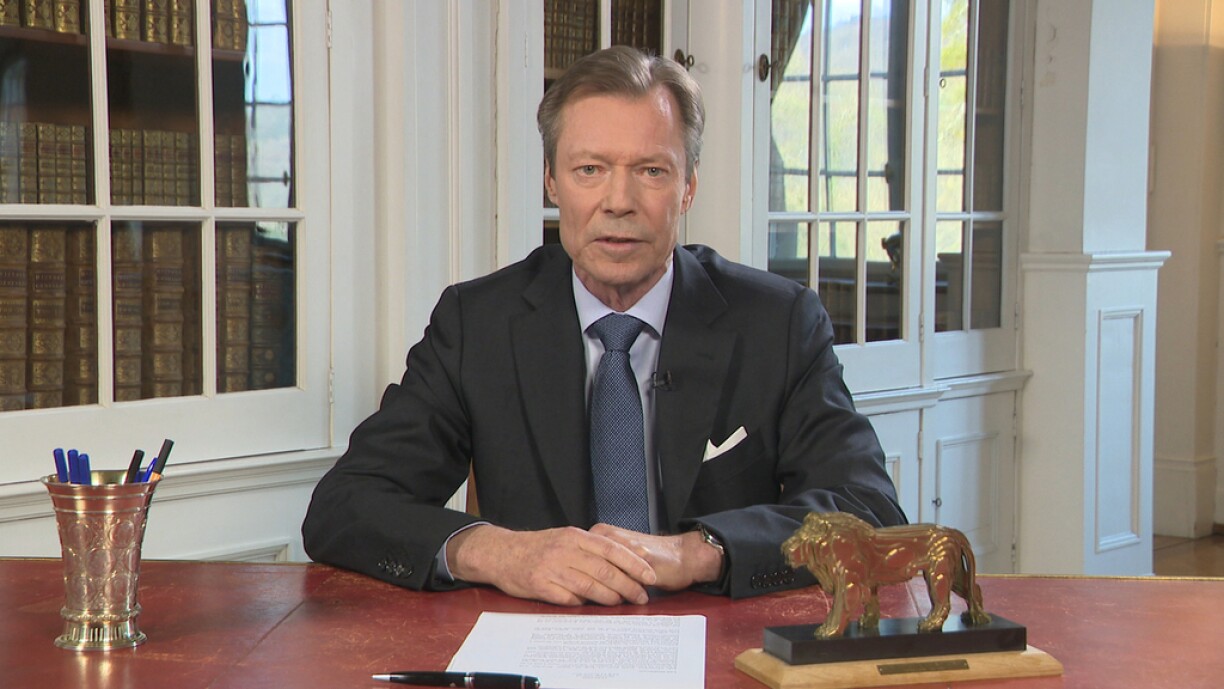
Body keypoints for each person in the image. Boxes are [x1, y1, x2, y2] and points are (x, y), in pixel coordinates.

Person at [302, 45, 905, 606]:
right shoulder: (478, 324)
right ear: (551, 181)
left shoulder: (778, 323)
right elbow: (344, 505)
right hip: (536, 638)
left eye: (651, 171)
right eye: (589, 169)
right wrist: (500, 552)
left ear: (688, 186)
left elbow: (869, 508)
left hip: (716, 638)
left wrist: (700, 552)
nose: (618, 201)